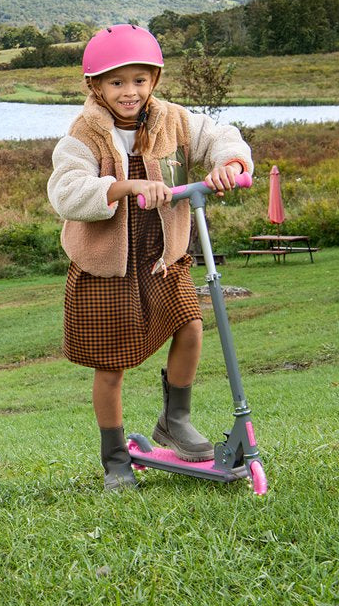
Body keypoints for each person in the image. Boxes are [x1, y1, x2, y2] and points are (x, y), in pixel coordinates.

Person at [47, 25, 252, 491]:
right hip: (107, 270)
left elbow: (222, 136)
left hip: (164, 259)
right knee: (111, 365)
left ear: (154, 81)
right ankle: (115, 457)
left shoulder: (174, 120)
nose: (130, 91)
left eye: (140, 79)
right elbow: (66, 193)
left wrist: (231, 164)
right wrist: (125, 187)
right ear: (95, 86)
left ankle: (174, 420)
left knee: (191, 326)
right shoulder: (83, 136)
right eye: (117, 82)